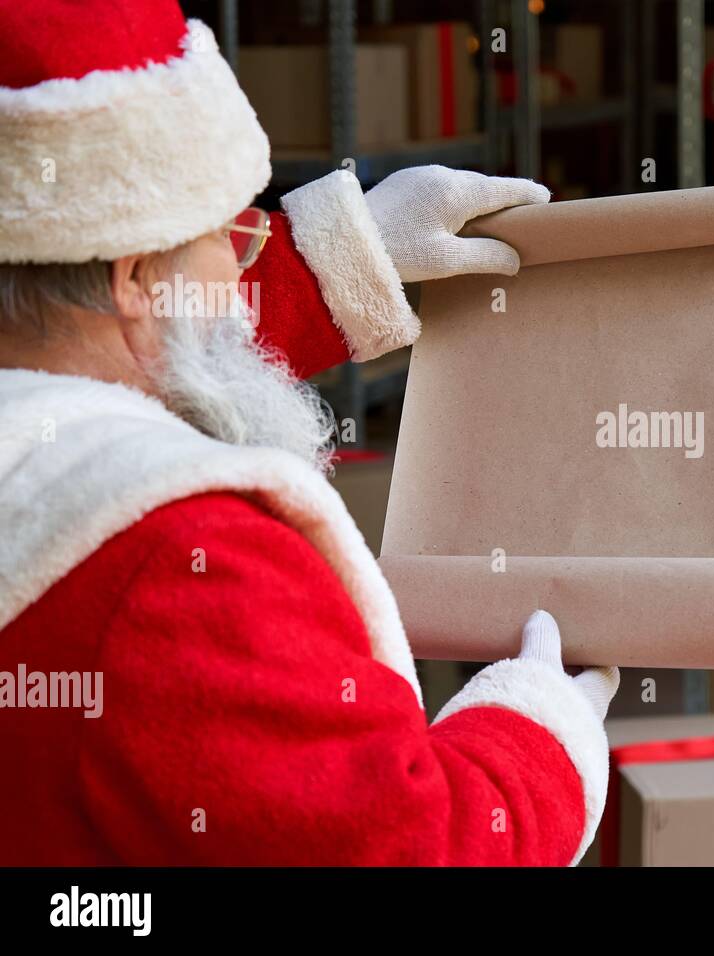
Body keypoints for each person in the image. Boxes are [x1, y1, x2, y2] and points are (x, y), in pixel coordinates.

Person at [0, 0, 616, 865]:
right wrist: (535, 741)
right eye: (235, 236)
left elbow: (131, 332)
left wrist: (343, 256)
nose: (250, 250)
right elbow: (408, 849)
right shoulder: (181, 563)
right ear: (135, 277)